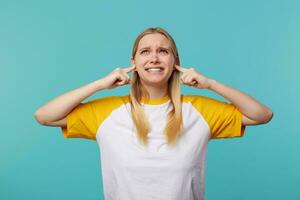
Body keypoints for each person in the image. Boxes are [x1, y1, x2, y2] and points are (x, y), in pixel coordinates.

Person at [35, 27, 273, 200]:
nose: (154, 58)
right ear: (134, 62)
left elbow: (261, 115)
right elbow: (45, 116)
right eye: (145, 52)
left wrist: (210, 83)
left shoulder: (200, 110)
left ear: (174, 61)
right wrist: (99, 84)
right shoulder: (108, 111)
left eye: (163, 51)